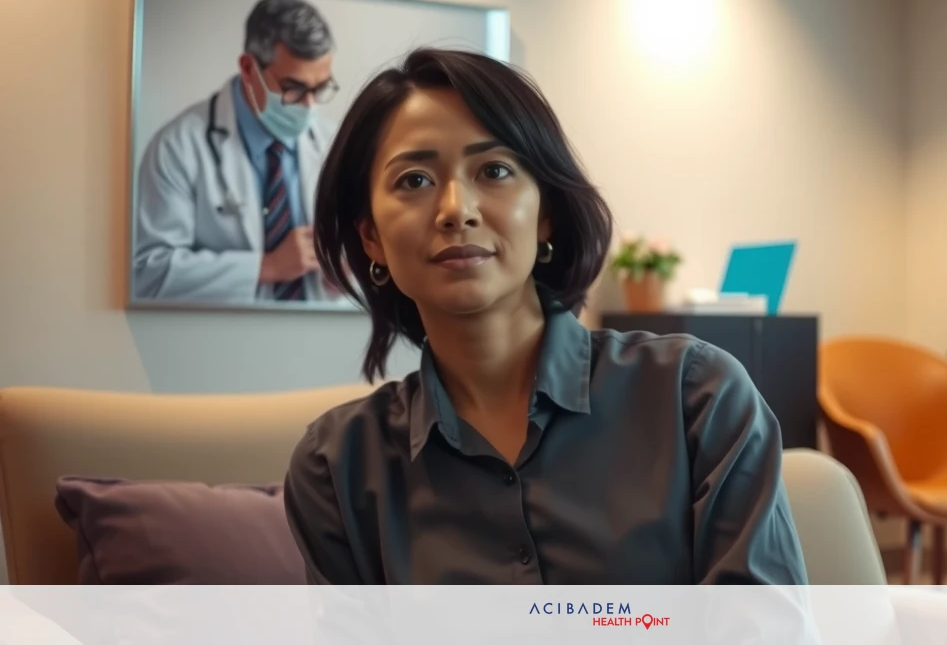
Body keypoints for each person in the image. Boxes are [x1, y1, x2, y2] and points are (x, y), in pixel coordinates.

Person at [283, 48, 807, 584]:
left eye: (494, 170)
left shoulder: (696, 398)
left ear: (546, 213)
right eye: (414, 180)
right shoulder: (336, 469)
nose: (456, 209)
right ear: (370, 235)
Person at [133, 0, 343, 303]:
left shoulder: (330, 142)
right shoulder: (178, 146)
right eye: (294, 88)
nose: (309, 105)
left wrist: (345, 274)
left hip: (313, 337)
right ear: (248, 69)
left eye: (320, 88)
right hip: (219, 343)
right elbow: (149, 275)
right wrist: (266, 266)